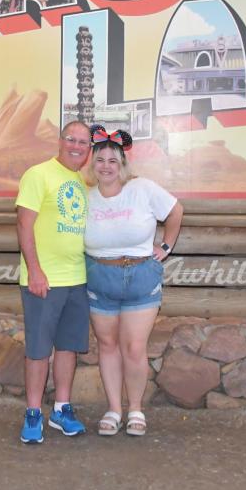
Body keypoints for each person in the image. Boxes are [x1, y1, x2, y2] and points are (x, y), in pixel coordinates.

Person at [83, 125, 184, 437]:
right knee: (108, 345)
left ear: (123, 164)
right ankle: (114, 409)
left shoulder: (141, 188)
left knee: (135, 347)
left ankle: (136, 409)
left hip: (140, 275)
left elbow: (175, 210)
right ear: (93, 164)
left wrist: (166, 246)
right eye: (100, 160)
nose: (106, 166)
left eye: (113, 160)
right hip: (100, 275)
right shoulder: (85, 196)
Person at [14, 119, 92, 444]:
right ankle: (33, 413)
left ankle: (61, 409)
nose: (76, 146)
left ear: (88, 150)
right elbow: (23, 225)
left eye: (83, 142)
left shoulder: (81, 182)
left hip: (77, 279)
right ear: (60, 141)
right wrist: (34, 269)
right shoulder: (38, 174)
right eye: (71, 139)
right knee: (37, 349)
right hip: (43, 281)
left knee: (68, 348)